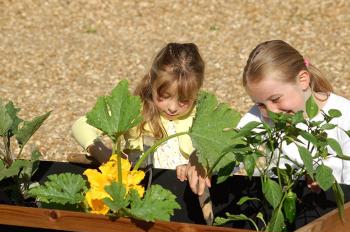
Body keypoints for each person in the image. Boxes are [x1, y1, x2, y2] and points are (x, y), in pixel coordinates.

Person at [178, 39, 350, 195]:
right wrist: (200, 159)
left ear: (303, 80)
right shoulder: (259, 118)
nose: (271, 112)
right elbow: (229, 149)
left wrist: (326, 183)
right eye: (260, 104)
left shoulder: (343, 115)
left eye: (276, 99)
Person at [72, 42, 205, 169]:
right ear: (152, 81)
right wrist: (102, 153)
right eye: (164, 96)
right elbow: (81, 125)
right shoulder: (135, 110)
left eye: (184, 100)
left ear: (197, 91)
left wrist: (198, 164)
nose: (172, 107)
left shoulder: (202, 114)